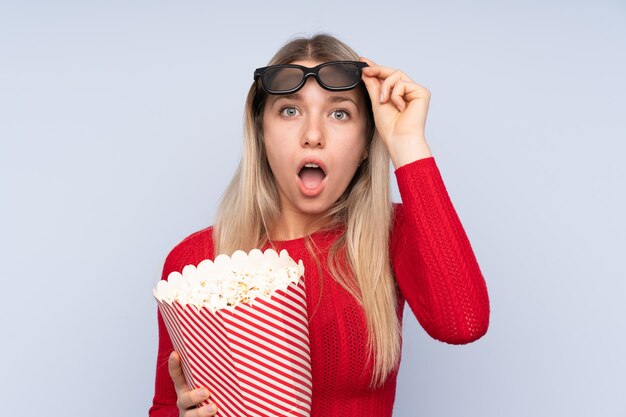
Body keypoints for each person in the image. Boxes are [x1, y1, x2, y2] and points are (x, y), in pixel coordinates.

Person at [149, 33, 490, 417]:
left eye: (339, 113)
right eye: (290, 111)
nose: (313, 136)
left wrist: (407, 142)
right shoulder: (196, 264)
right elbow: (166, 404)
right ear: (261, 133)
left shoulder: (392, 234)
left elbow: (464, 323)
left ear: (366, 143)